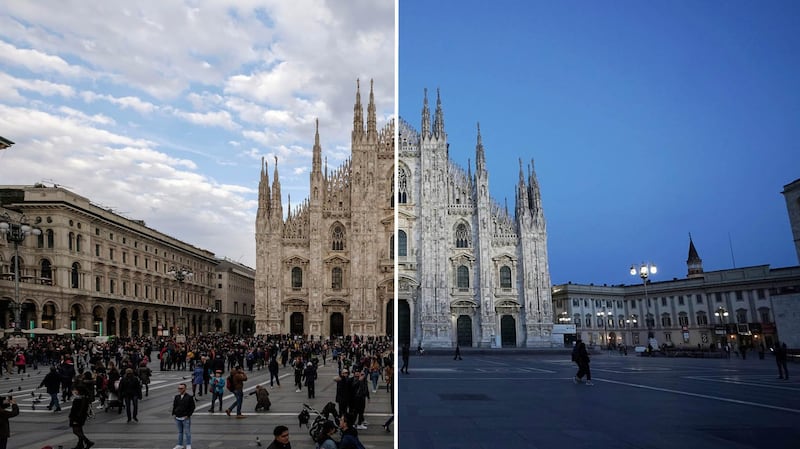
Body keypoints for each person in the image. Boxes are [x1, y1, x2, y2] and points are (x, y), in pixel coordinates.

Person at [172, 383, 195, 449]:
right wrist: (174, 414)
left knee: (187, 432)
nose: (180, 389)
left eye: (181, 388)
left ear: (185, 389)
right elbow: (175, 406)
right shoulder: (177, 397)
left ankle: (188, 444)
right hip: (177, 417)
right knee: (180, 432)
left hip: (185, 418)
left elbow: (192, 407)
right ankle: (180, 444)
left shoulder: (189, 397)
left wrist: (188, 415)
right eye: (179, 388)